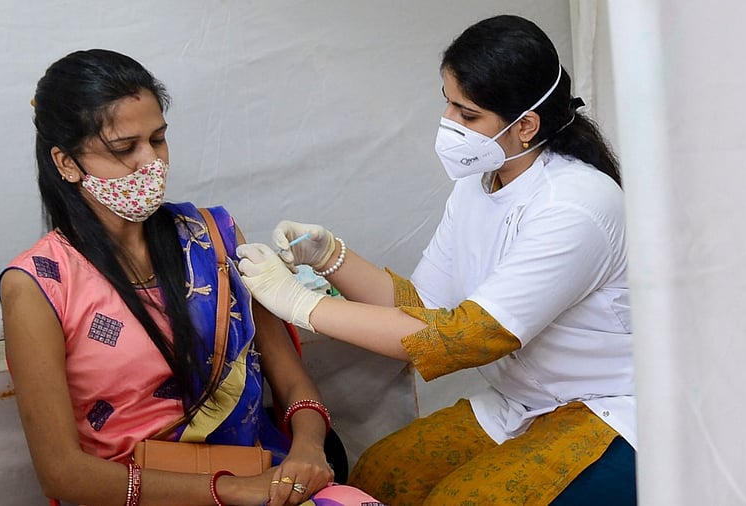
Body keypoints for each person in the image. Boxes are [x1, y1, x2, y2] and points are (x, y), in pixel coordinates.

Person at [236, 14, 636, 506]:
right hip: (521, 401)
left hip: (606, 407)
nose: (449, 124)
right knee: (381, 474)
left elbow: (467, 337)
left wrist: (299, 304)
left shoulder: (575, 204)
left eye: (467, 115)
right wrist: (331, 257)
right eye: (447, 103)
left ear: (526, 125)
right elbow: (425, 304)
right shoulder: (481, 181)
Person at [0, 49, 350, 506]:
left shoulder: (215, 239)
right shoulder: (38, 284)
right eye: (125, 148)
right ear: (66, 163)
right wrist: (231, 491)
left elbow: (291, 380)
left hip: (263, 475)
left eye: (158, 140)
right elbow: (62, 474)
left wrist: (307, 446)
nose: (152, 163)